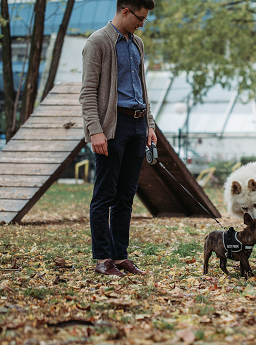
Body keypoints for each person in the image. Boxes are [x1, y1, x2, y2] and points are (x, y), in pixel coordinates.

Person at [79, 0, 156, 277]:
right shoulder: (97, 42)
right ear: (125, 11)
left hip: (137, 126)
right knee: (104, 195)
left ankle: (120, 256)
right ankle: (102, 258)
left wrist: (149, 123)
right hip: (112, 127)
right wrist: (95, 129)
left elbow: (142, 88)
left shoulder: (137, 44)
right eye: (140, 18)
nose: (142, 23)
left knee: (125, 196)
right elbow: (87, 93)